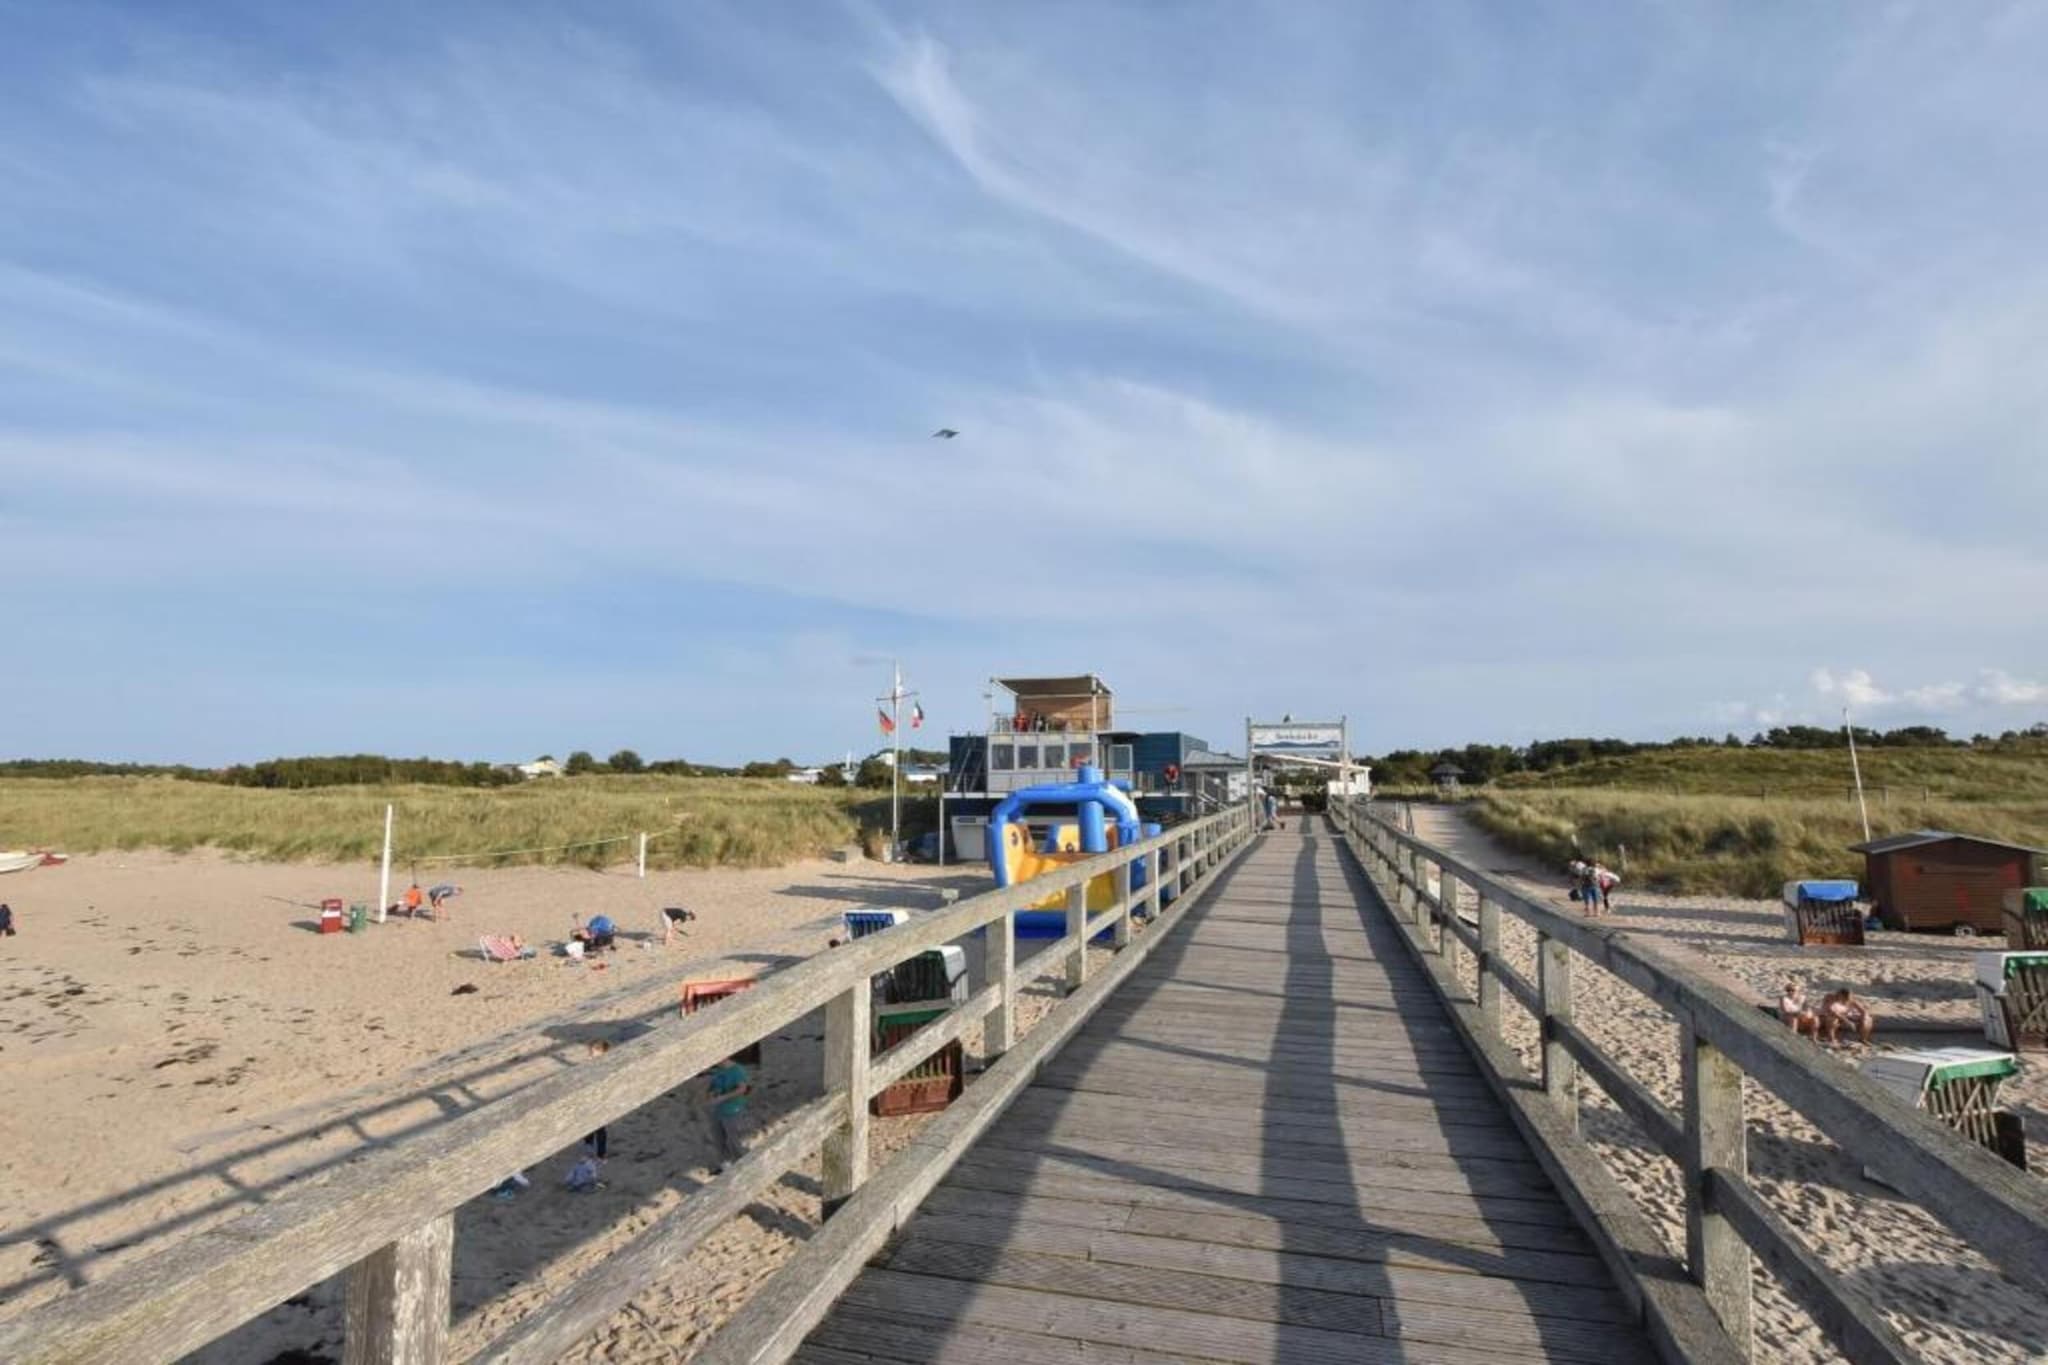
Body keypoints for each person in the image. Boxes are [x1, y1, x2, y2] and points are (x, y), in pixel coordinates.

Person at [707, 1055, 752, 1171]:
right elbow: (713, 1086)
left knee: (734, 1139)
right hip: (717, 1110)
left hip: (732, 1110)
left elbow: (742, 1089)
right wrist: (712, 1094)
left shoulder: (737, 1071)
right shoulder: (718, 1070)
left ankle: (743, 1164)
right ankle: (725, 1164)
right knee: (718, 1138)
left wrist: (723, 1098)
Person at [581, 1039, 613, 1161]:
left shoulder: (605, 1066)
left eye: (592, 1052)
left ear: (602, 1052)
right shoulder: (590, 1064)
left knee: (600, 1130)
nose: (590, 1055)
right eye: (590, 1052)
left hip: (599, 1102)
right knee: (588, 1127)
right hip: (590, 1101)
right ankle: (589, 1148)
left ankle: (601, 1154)